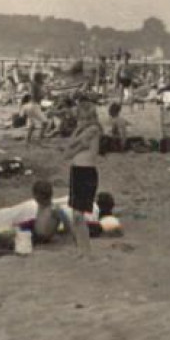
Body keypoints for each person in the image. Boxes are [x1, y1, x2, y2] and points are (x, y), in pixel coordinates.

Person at [63, 97, 100, 255]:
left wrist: (77, 140)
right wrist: (77, 132)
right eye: (81, 118)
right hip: (77, 170)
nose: (83, 121)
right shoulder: (82, 130)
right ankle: (81, 248)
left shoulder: (94, 129)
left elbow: (73, 145)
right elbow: (69, 149)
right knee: (75, 213)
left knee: (79, 214)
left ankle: (87, 250)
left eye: (86, 118)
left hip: (86, 172)